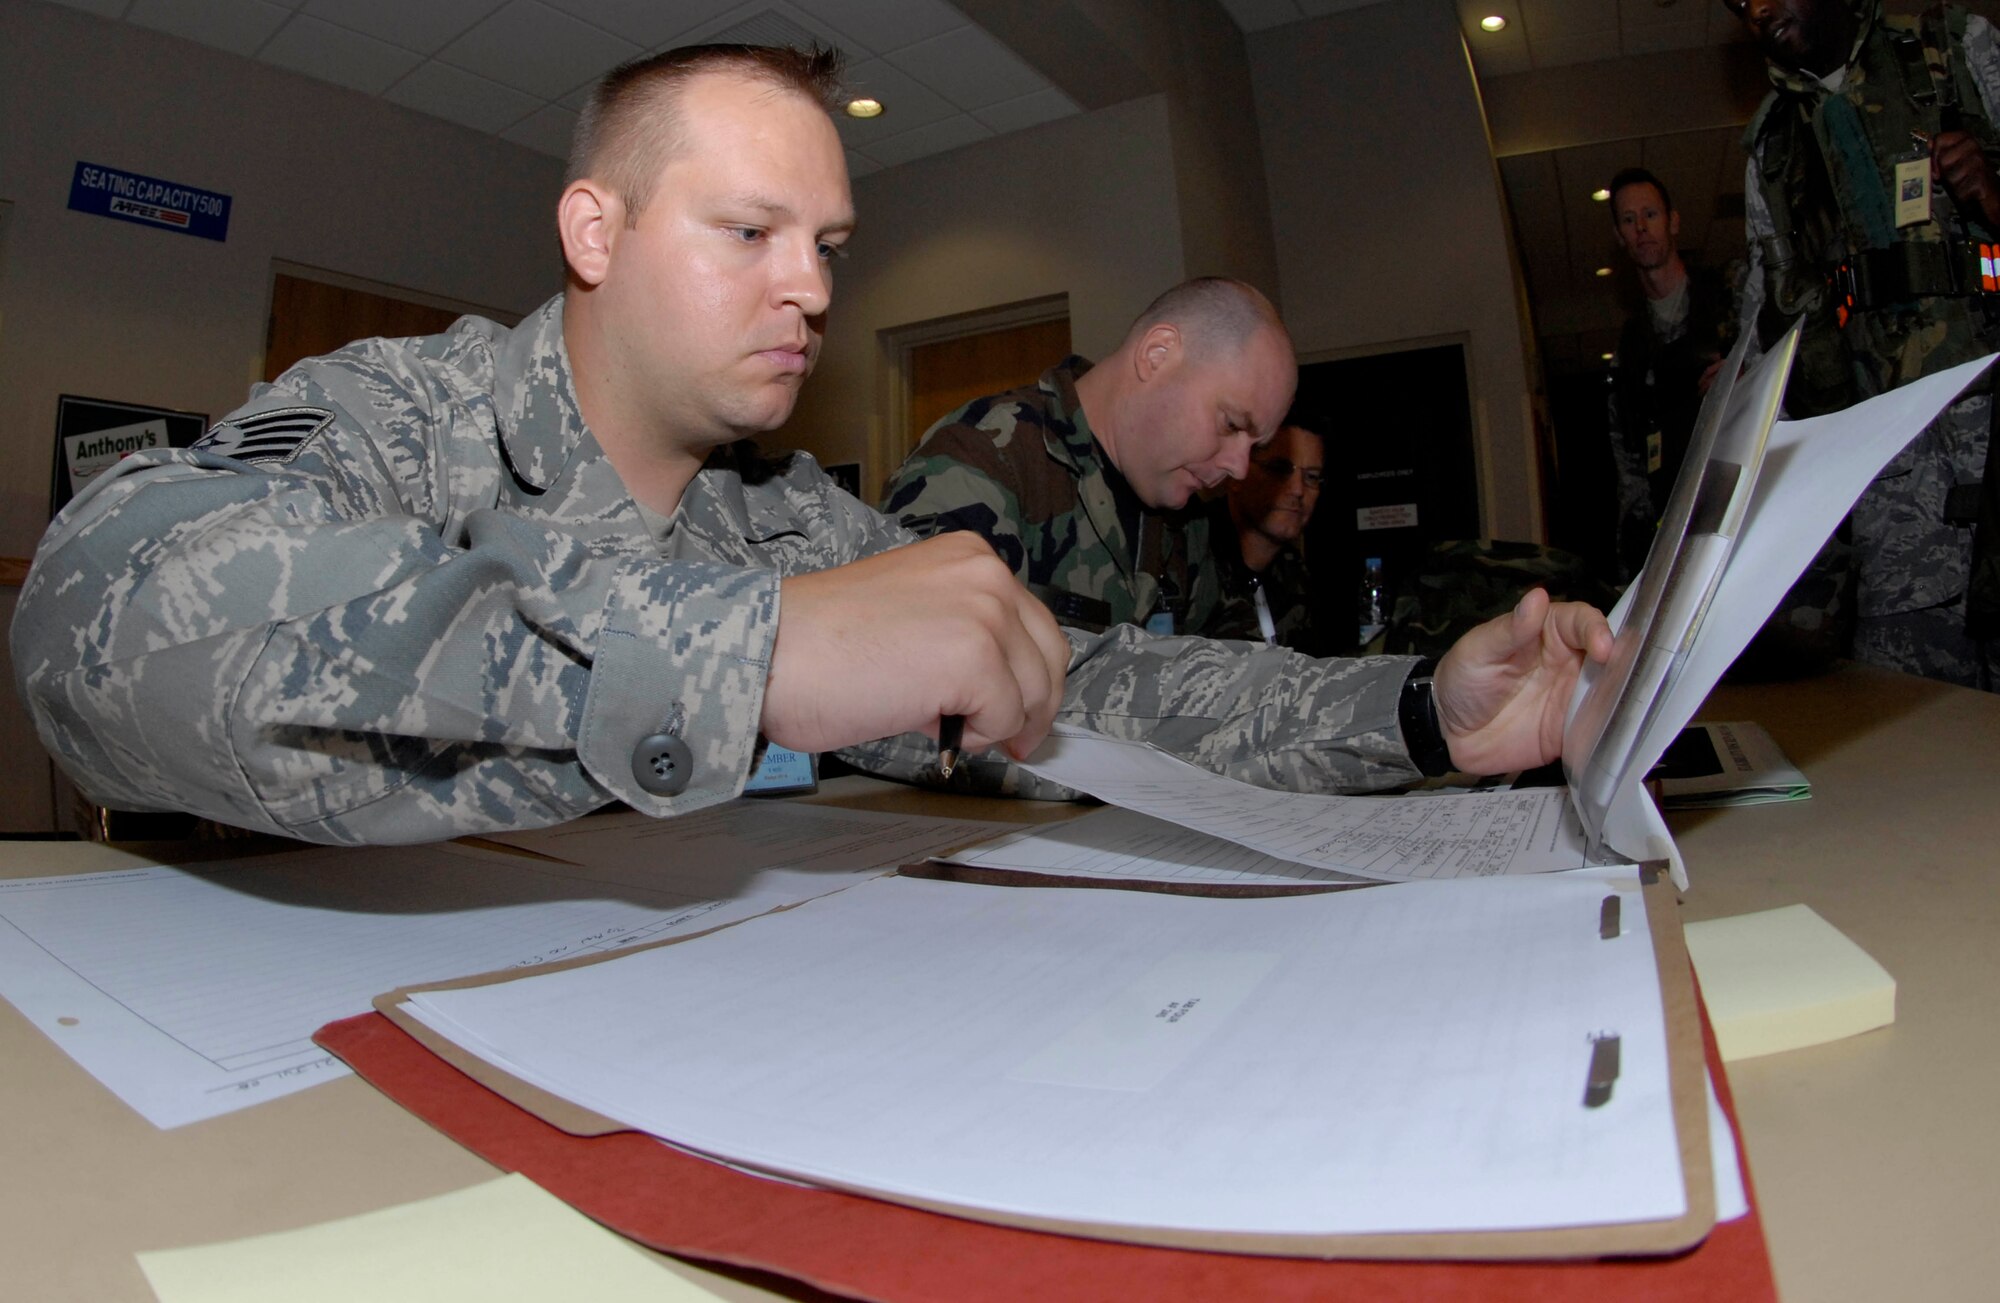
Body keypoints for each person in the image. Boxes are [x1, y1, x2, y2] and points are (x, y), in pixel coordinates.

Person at [10, 44, 1612, 846]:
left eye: (829, 245)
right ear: (595, 227)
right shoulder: (406, 413)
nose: (810, 289)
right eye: (753, 228)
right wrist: (743, 654)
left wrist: (1408, 708)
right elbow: (92, 613)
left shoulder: (784, 520)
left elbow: (1090, 674)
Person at [1731, 0, 2000, 689]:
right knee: (1919, 760)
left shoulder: (1957, 47)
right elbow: (1768, 345)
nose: (1757, 10)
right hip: (1897, 516)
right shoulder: (1772, 150)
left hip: (1989, 432)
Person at [881, 278, 1294, 637]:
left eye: (1255, 448)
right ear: (1157, 355)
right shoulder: (982, 456)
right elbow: (938, 666)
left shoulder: (1186, 520)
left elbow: (1235, 664)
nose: (1239, 467)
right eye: (1231, 424)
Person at [1603, 167, 1739, 582]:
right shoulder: (1628, 356)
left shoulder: (1731, 295)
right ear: (1620, 237)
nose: (1641, 228)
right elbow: (1631, 477)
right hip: (1680, 540)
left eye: (1650, 214)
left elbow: (1793, 371)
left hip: (1742, 507)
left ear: (1673, 221)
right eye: (1629, 220)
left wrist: (1743, 376)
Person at [1204, 411, 1327, 653]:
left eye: (1311, 477)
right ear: (1237, 474)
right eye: (1279, 469)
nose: (1298, 490)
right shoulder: (1192, 559)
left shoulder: (1295, 574)